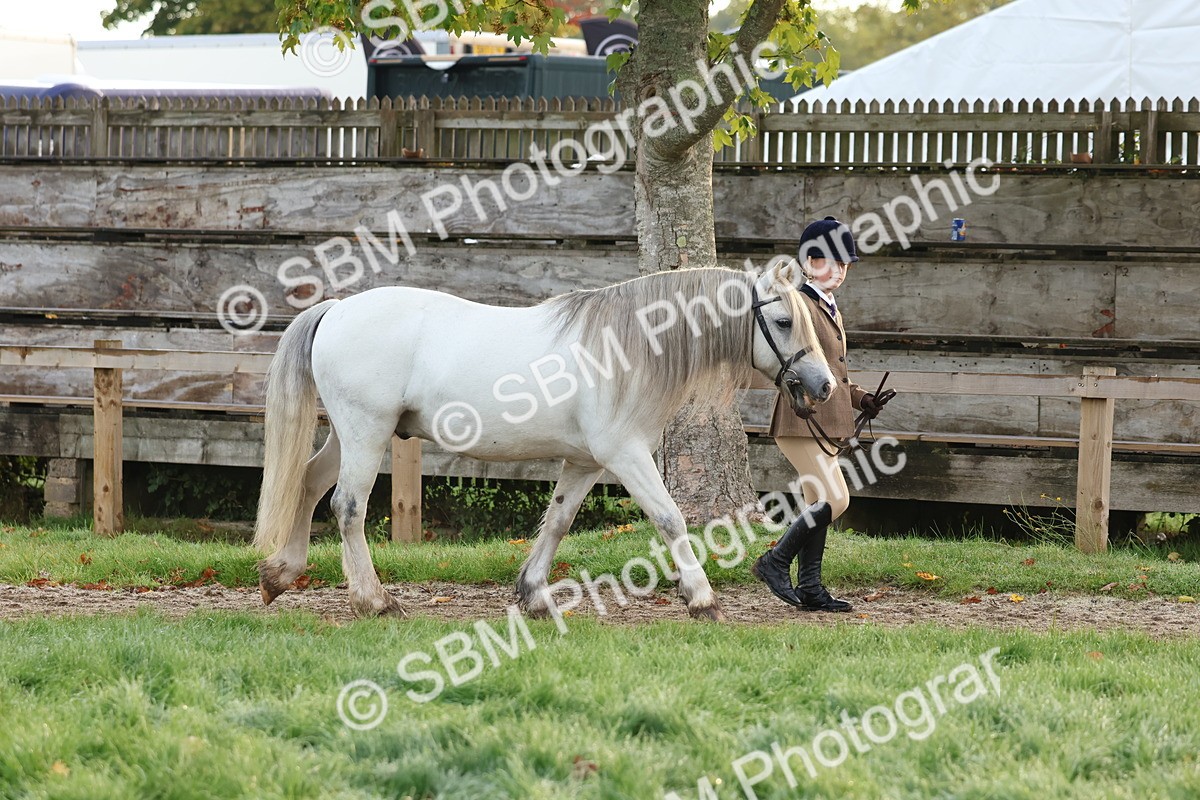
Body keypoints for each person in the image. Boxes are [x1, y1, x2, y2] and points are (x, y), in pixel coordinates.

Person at [751, 216, 891, 613]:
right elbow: (795, 366)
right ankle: (774, 561)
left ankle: (810, 588)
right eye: (831, 262)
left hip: (826, 424)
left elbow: (832, 372)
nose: (840, 271)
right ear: (809, 263)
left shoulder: (831, 307)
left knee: (817, 505)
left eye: (845, 264)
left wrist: (861, 399)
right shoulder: (800, 305)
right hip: (801, 421)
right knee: (837, 498)